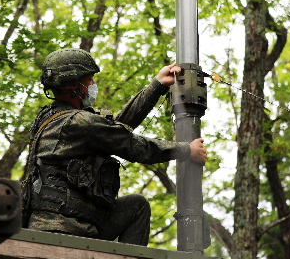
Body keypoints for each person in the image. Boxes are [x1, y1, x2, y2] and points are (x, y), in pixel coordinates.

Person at [23, 48, 207, 246]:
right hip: (68, 228)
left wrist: (157, 85)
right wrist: (186, 150)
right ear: (75, 85)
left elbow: (113, 131)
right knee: (137, 207)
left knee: (136, 205)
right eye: (89, 80)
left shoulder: (50, 118)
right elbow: (130, 144)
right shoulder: (79, 122)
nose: (93, 84)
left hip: (69, 222)